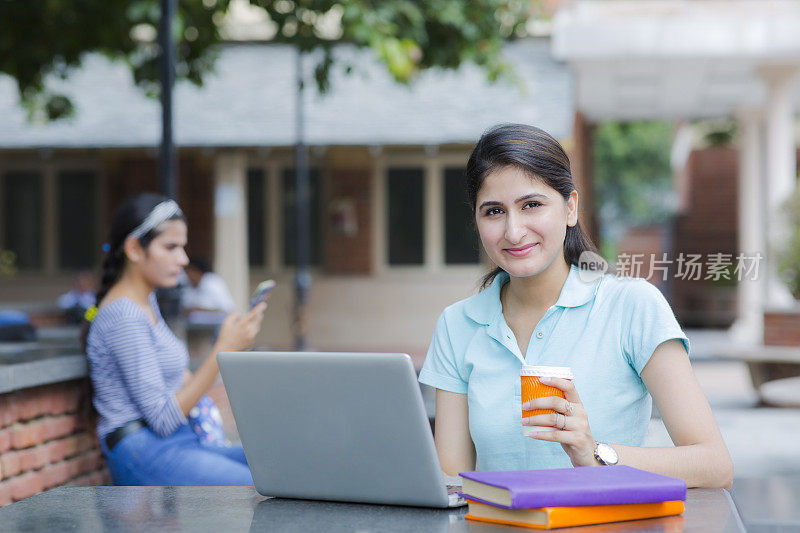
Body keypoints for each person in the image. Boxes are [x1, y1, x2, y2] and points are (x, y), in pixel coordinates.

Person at [419, 124, 733, 489]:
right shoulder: (457, 324)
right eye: (493, 211)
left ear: (570, 208)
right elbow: (453, 483)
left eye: (531, 205)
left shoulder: (631, 307)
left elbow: (714, 465)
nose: (514, 231)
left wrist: (594, 453)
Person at [83, 193, 267, 485]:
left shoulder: (147, 302)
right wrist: (224, 350)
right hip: (142, 450)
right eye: (170, 247)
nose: (182, 260)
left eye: (183, 247)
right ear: (134, 248)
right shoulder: (123, 316)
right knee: (261, 487)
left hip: (178, 442)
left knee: (280, 468)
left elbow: (177, 381)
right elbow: (164, 418)